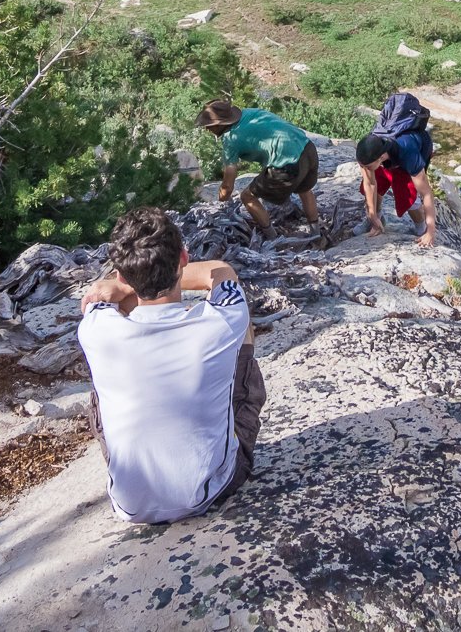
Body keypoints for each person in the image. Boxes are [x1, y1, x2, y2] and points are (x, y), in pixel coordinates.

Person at [77, 206, 265, 523]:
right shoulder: (222, 321)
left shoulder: (94, 330)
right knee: (240, 332)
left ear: (120, 275)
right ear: (184, 258)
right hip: (211, 489)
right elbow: (221, 272)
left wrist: (127, 283)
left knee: (104, 381)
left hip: (130, 506)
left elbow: (99, 297)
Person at [197, 99, 321, 233]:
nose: (206, 128)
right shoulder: (251, 113)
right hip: (307, 149)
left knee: (247, 197)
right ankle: (317, 233)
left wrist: (221, 205)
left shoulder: (230, 139)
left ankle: (271, 238)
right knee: (304, 190)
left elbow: (227, 186)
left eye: (209, 125)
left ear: (219, 124)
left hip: (287, 164)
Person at [357, 90, 438, 247]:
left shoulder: (407, 151)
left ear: (380, 158)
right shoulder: (370, 148)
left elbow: (426, 193)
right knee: (379, 181)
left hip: (414, 152)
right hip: (389, 156)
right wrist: (372, 216)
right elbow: (370, 184)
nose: (364, 168)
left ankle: (420, 226)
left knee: (406, 196)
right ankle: (379, 219)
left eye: (366, 166)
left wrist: (431, 231)